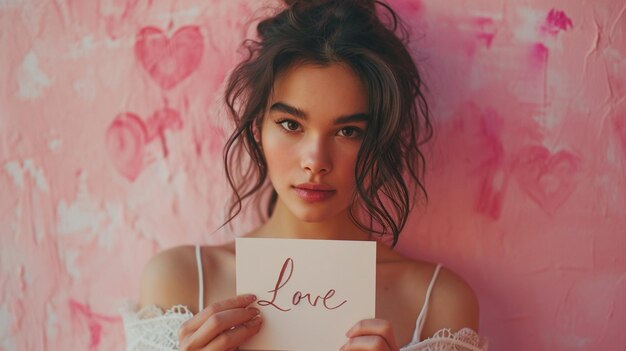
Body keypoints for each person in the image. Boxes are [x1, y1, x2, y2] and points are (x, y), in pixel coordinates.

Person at [120, 0, 488, 350]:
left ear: (381, 141)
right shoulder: (180, 282)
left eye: (348, 131)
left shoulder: (437, 301)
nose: (315, 161)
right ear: (257, 129)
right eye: (291, 124)